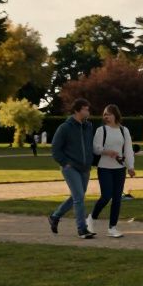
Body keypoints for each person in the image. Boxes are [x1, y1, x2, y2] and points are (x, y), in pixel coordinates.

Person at [48, 99, 96, 239]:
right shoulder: (65, 128)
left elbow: (89, 147)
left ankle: (55, 216)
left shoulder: (88, 127)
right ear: (77, 110)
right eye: (85, 109)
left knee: (77, 197)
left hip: (85, 168)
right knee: (79, 197)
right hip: (70, 168)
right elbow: (55, 149)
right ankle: (82, 229)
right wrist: (65, 163)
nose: (88, 111)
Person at [89, 104, 136, 239]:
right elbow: (96, 148)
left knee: (117, 199)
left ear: (116, 115)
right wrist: (107, 151)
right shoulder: (101, 130)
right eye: (104, 114)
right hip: (104, 168)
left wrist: (130, 167)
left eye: (109, 114)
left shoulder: (124, 130)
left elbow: (128, 150)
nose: (106, 116)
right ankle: (91, 218)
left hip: (119, 169)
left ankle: (112, 227)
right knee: (106, 196)